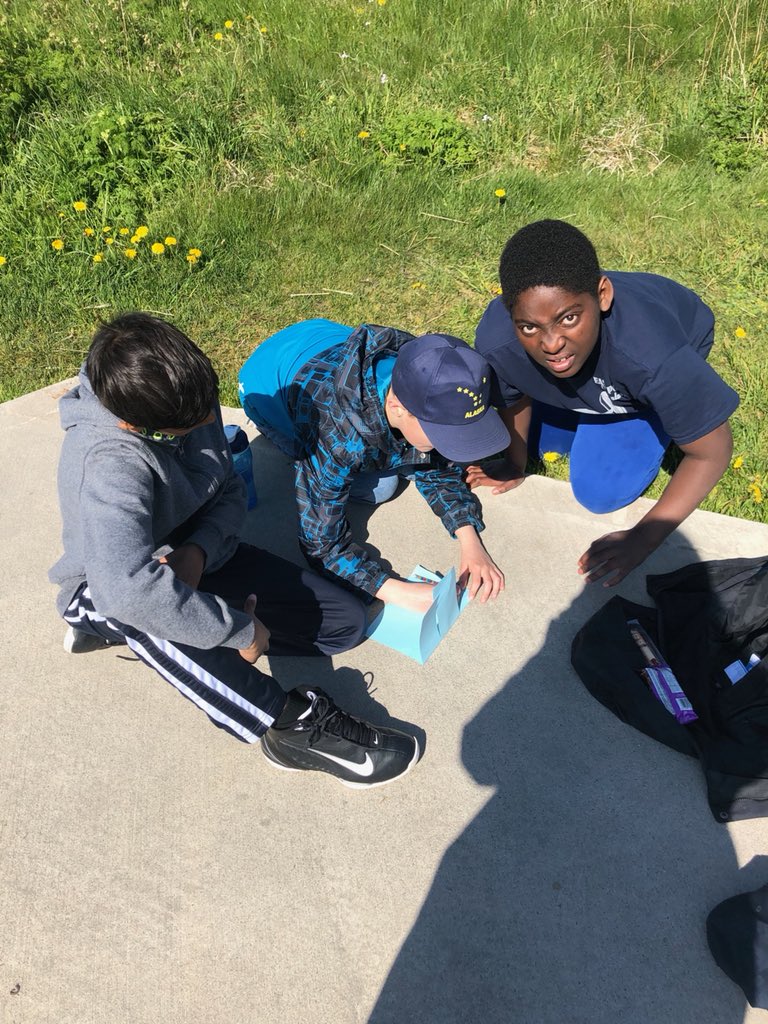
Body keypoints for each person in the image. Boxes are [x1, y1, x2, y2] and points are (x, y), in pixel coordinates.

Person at [49, 313, 419, 789]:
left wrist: (199, 552)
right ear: (132, 423)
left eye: (209, 410)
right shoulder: (107, 462)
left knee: (342, 625)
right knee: (138, 614)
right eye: (191, 426)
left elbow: (225, 488)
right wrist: (238, 631)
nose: (208, 424)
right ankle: (288, 725)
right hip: (105, 585)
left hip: (196, 556)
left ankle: (173, 630)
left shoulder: (182, 393)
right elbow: (126, 590)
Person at [468, 219, 739, 586]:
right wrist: (514, 460)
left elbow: (713, 450)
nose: (551, 343)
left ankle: (649, 415)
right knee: (515, 434)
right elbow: (513, 398)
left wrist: (643, 540)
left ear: (602, 295)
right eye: (529, 326)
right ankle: (584, 405)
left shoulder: (652, 356)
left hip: (662, 347)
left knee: (599, 489)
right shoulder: (499, 340)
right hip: (603, 361)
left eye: (569, 318)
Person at [238, 320, 510, 612]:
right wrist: (395, 591)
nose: (453, 447)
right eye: (444, 435)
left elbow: (438, 466)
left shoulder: (429, 372)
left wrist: (469, 537)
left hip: (316, 337)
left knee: (406, 457)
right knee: (382, 486)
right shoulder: (333, 431)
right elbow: (320, 543)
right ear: (397, 407)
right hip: (264, 381)